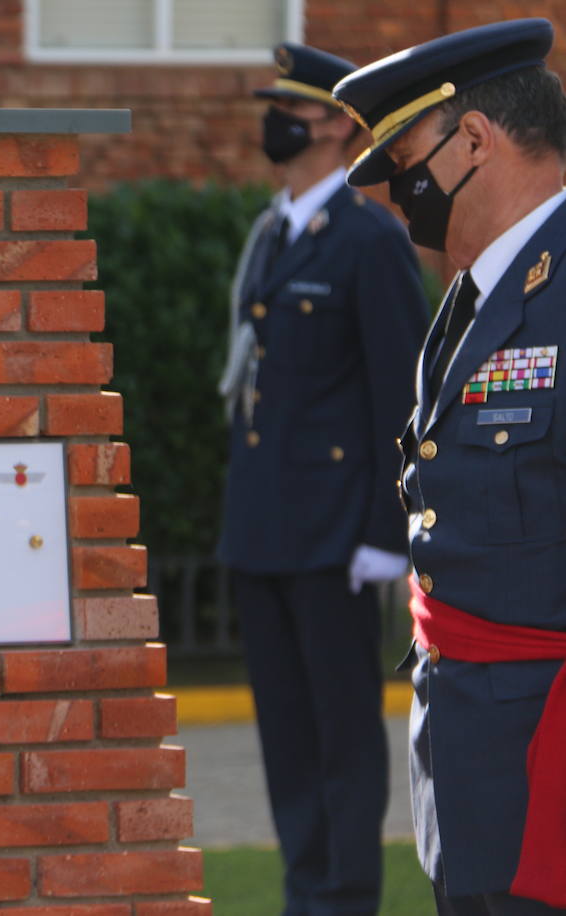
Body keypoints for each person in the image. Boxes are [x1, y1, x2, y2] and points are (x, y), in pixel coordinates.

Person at [334, 17, 566, 916]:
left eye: (406, 162)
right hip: (467, 742)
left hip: (544, 744)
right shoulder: (473, 293)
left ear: (476, 138)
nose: (399, 191)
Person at [216, 42, 429, 916]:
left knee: (342, 736)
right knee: (286, 737)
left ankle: (343, 898)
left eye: (290, 108)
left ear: (338, 124)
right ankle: (306, 889)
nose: (274, 120)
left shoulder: (369, 239)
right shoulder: (274, 229)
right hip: (267, 528)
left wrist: (388, 535)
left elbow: (399, 392)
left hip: (339, 536)